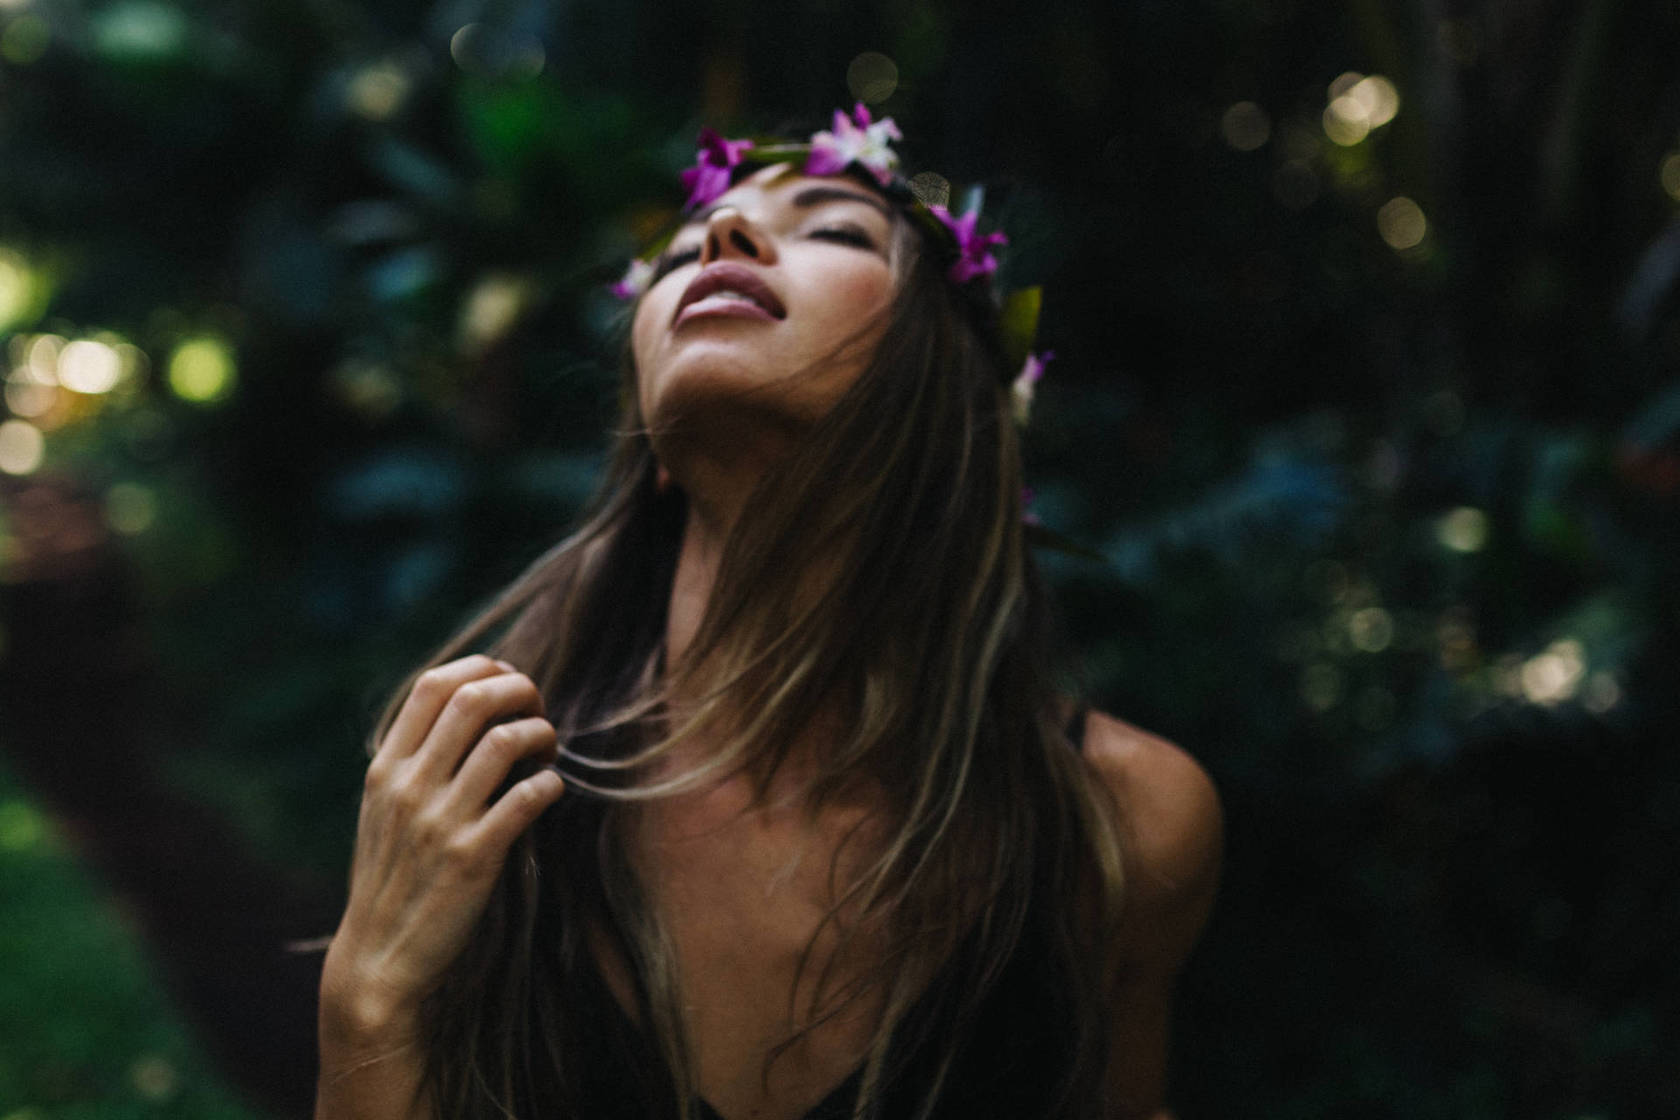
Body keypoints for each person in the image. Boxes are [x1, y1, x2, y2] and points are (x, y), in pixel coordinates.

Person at [314, 106, 1223, 1120]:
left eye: (832, 227)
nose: (720, 239)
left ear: (955, 408)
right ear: (655, 446)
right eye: (684, 251)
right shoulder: (479, 789)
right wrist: (368, 1000)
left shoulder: (1126, 828)